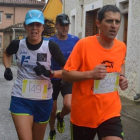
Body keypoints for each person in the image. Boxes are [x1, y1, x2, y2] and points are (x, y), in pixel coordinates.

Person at [62, 5, 128, 140]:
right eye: (109, 21)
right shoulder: (84, 45)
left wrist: (121, 77)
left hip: (111, 111)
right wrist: (90, 74)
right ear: (98, 23)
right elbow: (66, 74)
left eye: (117, 21)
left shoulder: (121, 46)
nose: (114, 26)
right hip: (84, 115)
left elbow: (120, 65)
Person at [3, 9, 66, 140]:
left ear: (43, 27)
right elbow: (6, 54)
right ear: (25, 26)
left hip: (43, 101)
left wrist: (49, 73)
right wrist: (7, 68)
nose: (34, 28)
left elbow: (68, 71)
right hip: (21, 98)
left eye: (38, 25)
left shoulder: (50, 46)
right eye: (31, 24)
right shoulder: (17, 44)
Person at [47, 13, 79, 140]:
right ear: (57, 26)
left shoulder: (75, 40)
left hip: (67, 78)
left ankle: (61, 117)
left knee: (69, 105)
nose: (65, 28)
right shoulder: (50, 41)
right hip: (52, 79)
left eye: (67, 25)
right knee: (52, 111)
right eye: (62, 25)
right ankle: (52, 131)